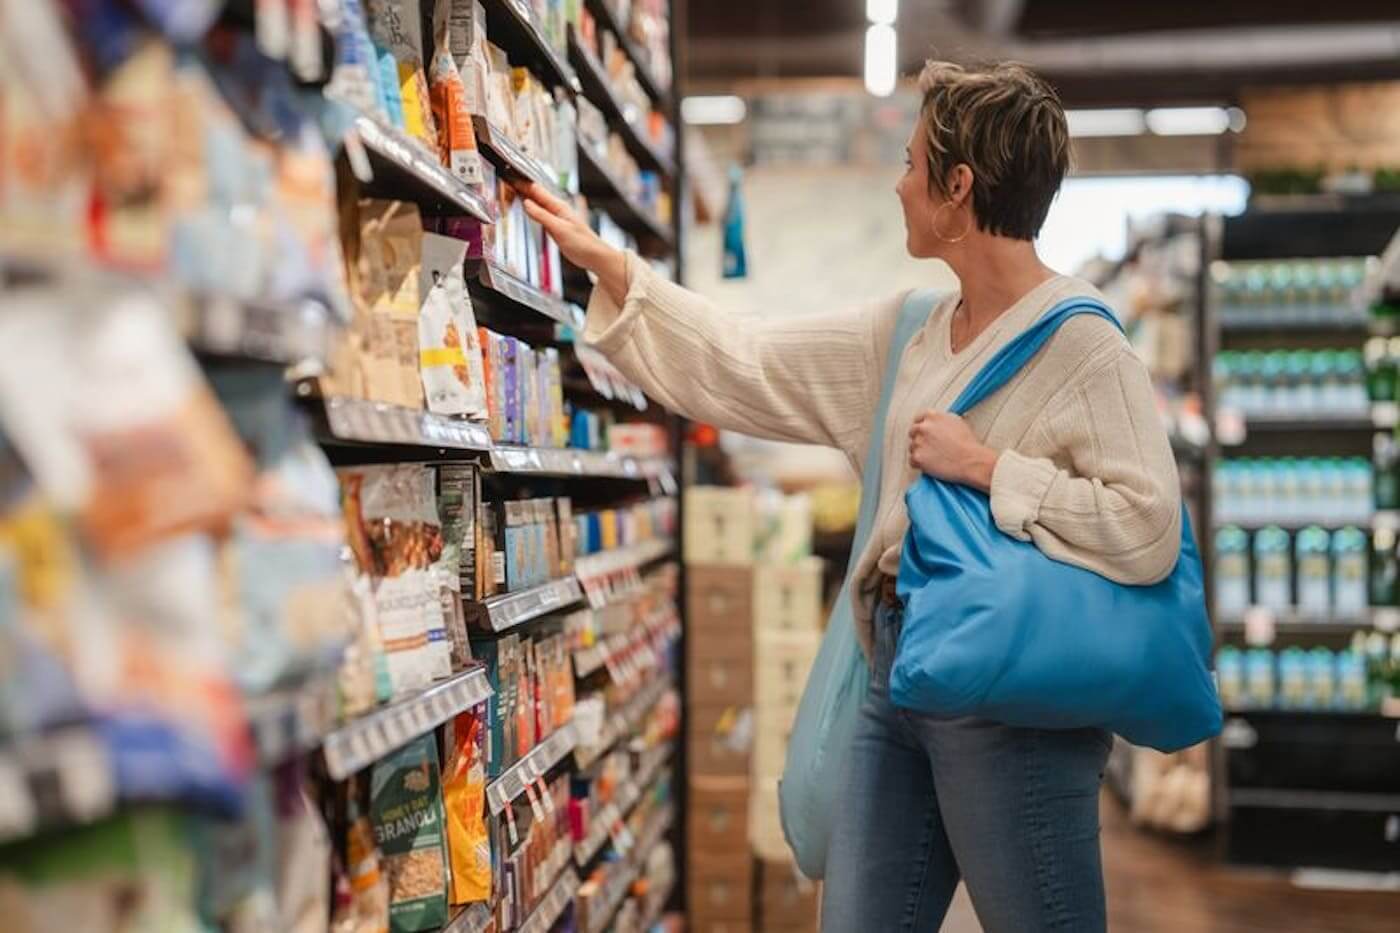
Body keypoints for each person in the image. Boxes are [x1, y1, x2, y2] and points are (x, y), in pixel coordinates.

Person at [525, 60, 1181, 933]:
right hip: (897, 678)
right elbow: (749, 361)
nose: (898, 184)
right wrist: (614, 268)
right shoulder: (909, 332)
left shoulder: (1087, 350)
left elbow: (1147, 527)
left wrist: (988, 468)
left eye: (912, 164)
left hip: (1013, 708)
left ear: (958, 187)